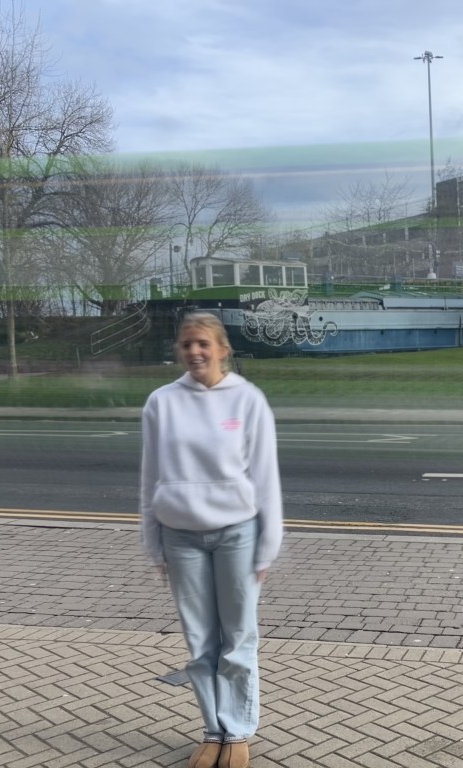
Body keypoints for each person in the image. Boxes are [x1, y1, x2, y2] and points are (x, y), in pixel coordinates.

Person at [140, 311, 283, 768]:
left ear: (223, 349)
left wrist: (268, 545)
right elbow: (149, 478)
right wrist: (154, 543)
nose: (195, 352)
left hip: (237, 535)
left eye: (204, 343)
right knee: (200, 640)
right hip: (180, 536)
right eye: (187, 344)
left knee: (237, 638)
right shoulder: (161, 402)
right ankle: (214, 728)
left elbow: (266, 478)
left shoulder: (248, 400)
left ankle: (239, 729)